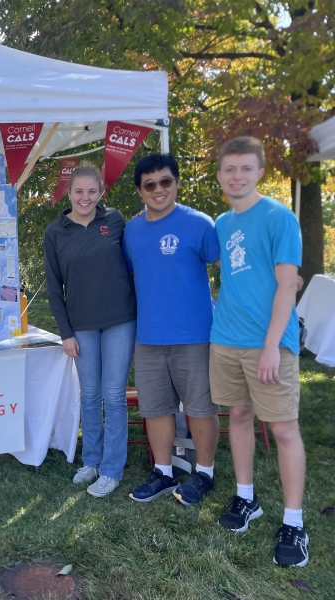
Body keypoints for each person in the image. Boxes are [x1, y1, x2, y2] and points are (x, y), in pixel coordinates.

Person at [210, 137, 308, 567]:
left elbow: (289, 284)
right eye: (229, 169)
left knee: (285, 430)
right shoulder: (222, 223)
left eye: (245, 168)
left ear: (259, 172)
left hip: (270, 344)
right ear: (219, 176)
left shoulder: (279, 217)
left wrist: (272, 346)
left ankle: (294, 523)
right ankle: (246, 498)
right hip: (226, 339)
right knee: (239, 416)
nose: (237, 176)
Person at [123, 154, 221, 505]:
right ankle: (163, 472)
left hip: (195, 335)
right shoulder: (131, 230)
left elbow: (230, 270)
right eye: (149, 184)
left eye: (165, 181)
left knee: (201, 408)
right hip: (149, 337)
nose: (158, 189)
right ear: (140, 191)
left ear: (177, 183)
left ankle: (204, 474)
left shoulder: (200, 224)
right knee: (155, 409)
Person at [43, 162, 137, 498]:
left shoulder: (115, 221)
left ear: (101, 192)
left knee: (113, 396)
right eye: (79, 191)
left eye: (92, 191)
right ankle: (92, 460)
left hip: (120, 321)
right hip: (80, 326)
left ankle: (112, 469)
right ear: (69, 193)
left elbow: (132, 268)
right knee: (89, 395)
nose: (86, 197)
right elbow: (55, 288)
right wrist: (65, 332)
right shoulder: (55, 233)